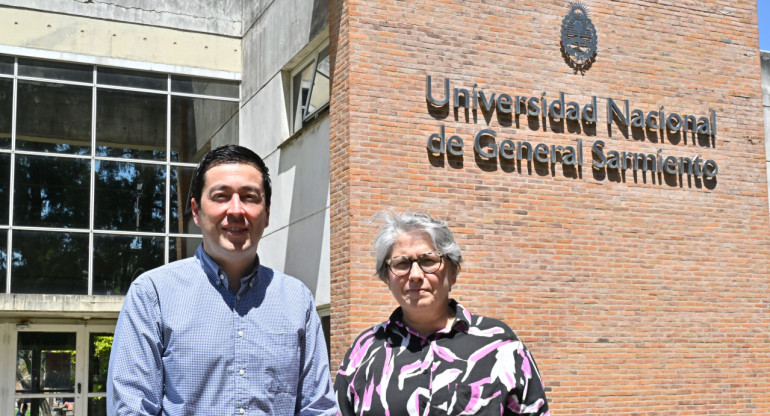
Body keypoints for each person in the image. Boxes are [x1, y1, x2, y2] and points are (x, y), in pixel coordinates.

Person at [107, 145, 337, 416]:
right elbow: (131, 409)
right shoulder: (153, 295)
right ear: (196, 211)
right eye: (221, 196)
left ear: (267, 214)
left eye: (250, 197)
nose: (236, 210)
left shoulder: (298, 301)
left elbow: (318, 409)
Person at [335, 212, 549, 415]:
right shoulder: (365, 351)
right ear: (386, 278)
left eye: (428, 261)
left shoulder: (500, 345)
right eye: (402, 264)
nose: (415, 275)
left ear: (453, 272)